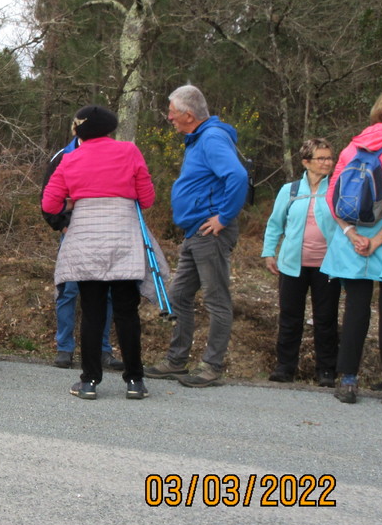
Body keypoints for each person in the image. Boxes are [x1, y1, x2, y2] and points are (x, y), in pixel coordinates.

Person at [42, 105, 156, 400]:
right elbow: (147, 199)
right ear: (110, 127)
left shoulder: (70, 159)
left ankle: (90, 381)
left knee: (92, 313)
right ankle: (135, 381)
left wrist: (72, 202)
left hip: (87, 242)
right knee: (126, 312)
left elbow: (49, 204)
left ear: (79, 131)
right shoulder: (130, 151)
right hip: (123, 240)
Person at [145, 84, 248, 388]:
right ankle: (177, 360)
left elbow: (237, 176)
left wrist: (224, 217)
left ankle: (212, 366)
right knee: (178, 295)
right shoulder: (199, 139)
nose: (169, 118)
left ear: (188, 115)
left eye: (172, 113)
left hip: (209, 231)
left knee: (216, 298)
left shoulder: (212, 138)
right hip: (195, 231)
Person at [324, 89, 382, 406]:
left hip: (352, 234)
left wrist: (351, 233)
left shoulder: (353, 147)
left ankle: (347, 381)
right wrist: (379, 240)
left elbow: (332, 197)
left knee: (355, 307)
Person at [260, 138, 340, 386]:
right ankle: (285, 368)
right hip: (292, 264)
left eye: (329, 158)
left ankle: (326, 371)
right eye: (321, 158)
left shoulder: (337, 189)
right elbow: (275, 224)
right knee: (290, 317)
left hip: (328, 265)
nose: (327, 162)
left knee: (326, 319)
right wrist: (269, 252)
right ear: (306, 162)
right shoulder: (290, 190)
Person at [43, 136, 117, 370]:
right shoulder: (62, 156)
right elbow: (47, 198)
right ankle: (64, 348)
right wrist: (61, 224)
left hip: (104, 232)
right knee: (68, 289)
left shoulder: (110, 155)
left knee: (106, 291)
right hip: (73, 233)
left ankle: (103, 349)